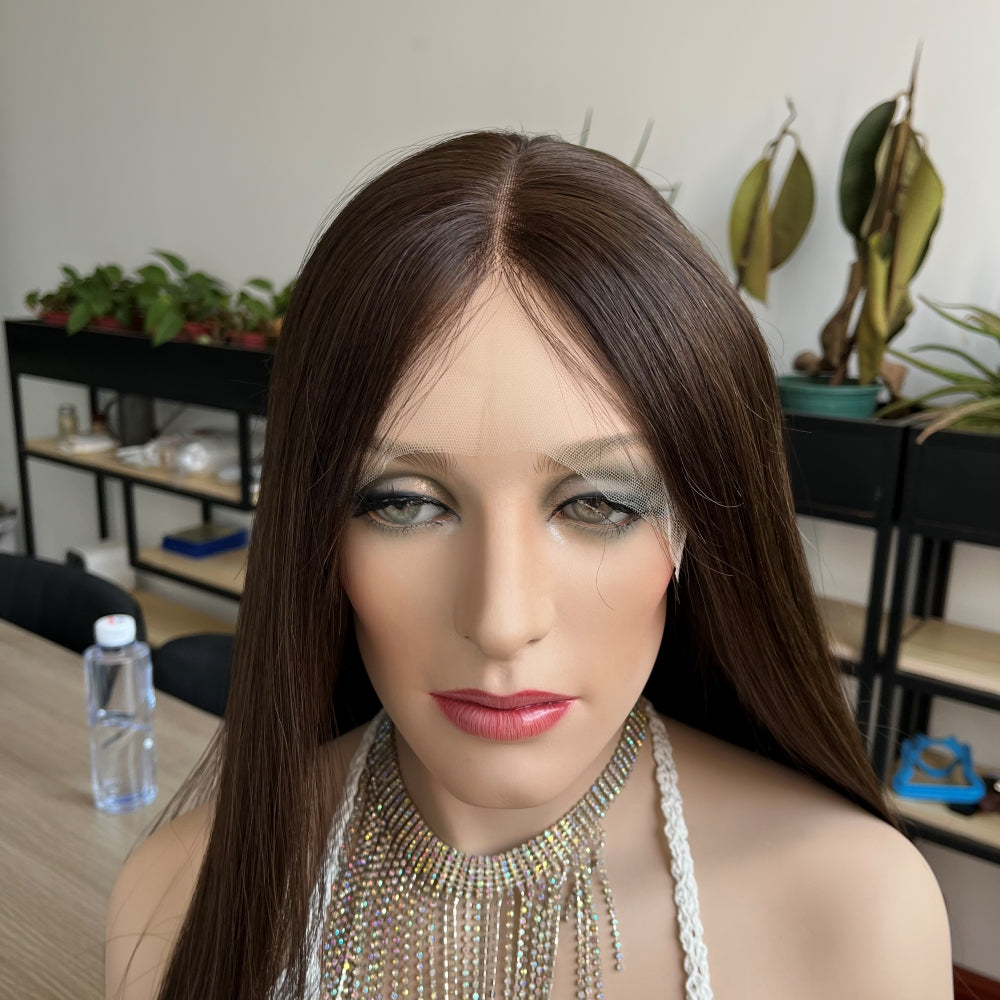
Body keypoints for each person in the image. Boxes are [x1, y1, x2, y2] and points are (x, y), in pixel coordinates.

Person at [105, 130, 952, 1000]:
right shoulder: (175, 897)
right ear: (315, 529)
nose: (502, 622)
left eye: (598, 505)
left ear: (695, 528)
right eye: (404, 502)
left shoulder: (857, 914)